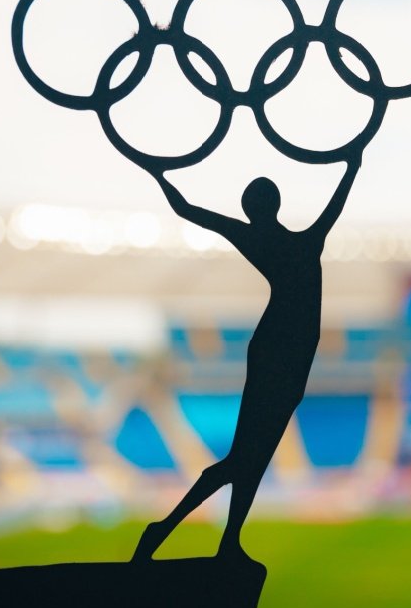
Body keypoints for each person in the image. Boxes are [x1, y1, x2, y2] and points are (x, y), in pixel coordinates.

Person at [133, 156, 361, 560]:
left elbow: (188, 210)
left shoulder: (259, 238)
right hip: (283, 354)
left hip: (283, 353)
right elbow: (337, 204)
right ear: (273, 204)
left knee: (252, 457)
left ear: (251, 210)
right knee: (244, 457)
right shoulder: (304, 242)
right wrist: (351, 166)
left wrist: (159, 175)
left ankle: (226, 541)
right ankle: (170, 530)